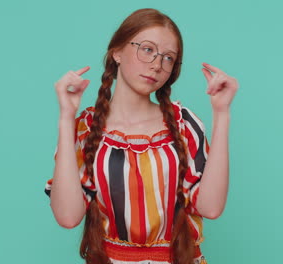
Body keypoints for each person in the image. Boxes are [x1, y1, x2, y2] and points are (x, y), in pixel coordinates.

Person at [44, 8, 239, 264]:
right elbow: (68, 217)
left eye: (168, 58)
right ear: (117, 52)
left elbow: (211, 208)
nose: (157, 65)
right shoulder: (85, 128)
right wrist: (66, 117)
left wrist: (222, 113)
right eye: (147, 49)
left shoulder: (184, 124)